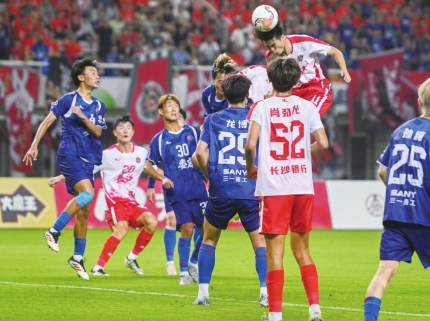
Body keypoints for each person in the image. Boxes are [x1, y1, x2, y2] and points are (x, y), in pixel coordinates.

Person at [363, 77, 430, 321]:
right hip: (425, 215)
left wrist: (399, 192)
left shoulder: (400, 130)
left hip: (395, 213)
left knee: (384, 272)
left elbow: (383, 170)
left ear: (419, 102)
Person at [245, 58, 329, 321]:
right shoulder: (307, 106)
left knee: (274, 254)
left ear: (270, 80)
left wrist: (251, 167)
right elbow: (323, 143)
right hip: (302, 186)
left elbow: (250, 145)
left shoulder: (262, 107)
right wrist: (303, 152)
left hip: (275, 187)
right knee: (302, 250)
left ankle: (275, 315)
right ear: (295, 80)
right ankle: (314, 308)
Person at [23, 58, 106, 280]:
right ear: (81, 77)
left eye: (97, 72)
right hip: (69, 154)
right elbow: (46, 122)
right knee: (87, 194)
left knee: (84, 210)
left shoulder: (99, 105)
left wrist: (83, 117)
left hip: (88, 160)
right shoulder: (68, 100)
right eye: (92, 72)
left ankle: (77, 258)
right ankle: (53, 231)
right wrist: (34, 145)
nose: (97, 75)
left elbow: (98, 132)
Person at [47, 114, 158, 276]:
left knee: (152, 221)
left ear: (133, 132)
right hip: (114, 202)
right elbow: (84, 169)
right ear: (115, 132)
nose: (125, 131)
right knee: (122, 229)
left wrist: (158, 182)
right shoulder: (106, 155)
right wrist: (61, 177)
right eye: (121, 127)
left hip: (131, 201)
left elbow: (152, 168)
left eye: (128, 128)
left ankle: (132, 258)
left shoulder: (141, 152)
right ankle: (98, 267)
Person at [193, 75, 268, 307]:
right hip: (250, 189)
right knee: (260, 243)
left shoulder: (213, 119)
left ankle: (203, 295)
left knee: (209, 239)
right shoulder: (257, 118)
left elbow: (200, 154)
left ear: (224, 95)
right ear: (247, 94)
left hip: (221, 188)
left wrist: (210, 177)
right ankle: (264, 292)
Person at [144, 94, 208, 285]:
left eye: (176, 106)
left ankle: (193, 262)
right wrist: (162, 178)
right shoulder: (159, 139)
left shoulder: (193, 132)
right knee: (187, 228)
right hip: (177, 192)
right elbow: (148, 166)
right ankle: (183, 273)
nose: (173, 109)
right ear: (160, 111)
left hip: (198, 188)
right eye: (169, 106)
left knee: (207, 228)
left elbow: (204, 153)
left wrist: (209, 177)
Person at [253, 6, 351, 117]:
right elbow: (276, 79)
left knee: (309, 118)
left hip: (316, 89)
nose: (272, 50)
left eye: (274, 45)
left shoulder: (303, 42)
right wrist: (272, 92)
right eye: (268, 47)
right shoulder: (270, 56)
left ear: (283, 37)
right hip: (293, 94)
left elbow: (335, 52)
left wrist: (344, 70)